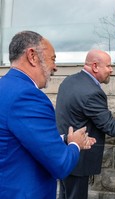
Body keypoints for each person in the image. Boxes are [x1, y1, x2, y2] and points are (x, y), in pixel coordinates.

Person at [0, 30, 96, 199]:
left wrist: (65, 139)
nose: (55, 67)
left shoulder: (5, 88)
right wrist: (75, 145)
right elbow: (60, 165)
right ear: (32, 56)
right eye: (53, 59)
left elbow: (18, 140)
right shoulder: (28, 97)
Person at [56, 49, 115, 199]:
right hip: (78, 159)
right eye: (109, 66)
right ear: (95, 66)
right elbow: (109, 125)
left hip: (63, 153)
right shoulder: (91, 92)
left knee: (65, 194)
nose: (112, 70)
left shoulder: (69, 81)